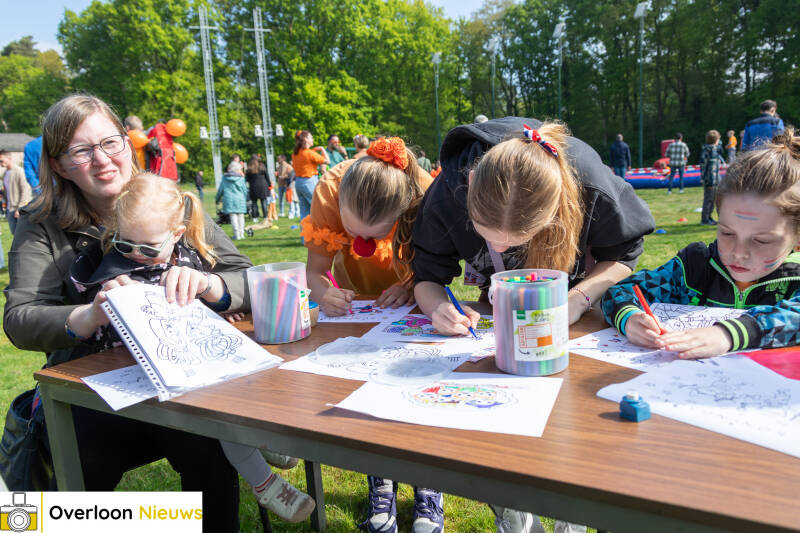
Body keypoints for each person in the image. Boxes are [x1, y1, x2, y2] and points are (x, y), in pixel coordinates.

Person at [3, 93, 252, 532]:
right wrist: (89, 315)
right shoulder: (42, 221)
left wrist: (208, 284)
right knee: (76, 483)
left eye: (110, 142)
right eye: (81, 150)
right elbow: (20, 319)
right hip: (93, 392)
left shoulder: (167, 199)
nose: (102, 160)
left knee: (211, 452)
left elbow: (246, 277)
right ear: (59, 165)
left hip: (182, 380)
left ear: (127, 142)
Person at [411, 117, 654, 532]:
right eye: (488, 234)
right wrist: (437, 309)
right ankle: (510, 500)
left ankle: (572, 507)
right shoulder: (447, 191)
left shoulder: (588, 181)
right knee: (501, 406)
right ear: (470, 185)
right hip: (502, 320)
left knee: (572, 408)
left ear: (556, 209)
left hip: (574, 305)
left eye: (516, 240)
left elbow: (624, 254)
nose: (499, 246)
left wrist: (577, 300)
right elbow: (427, 277)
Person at [69, 173, 315, 523]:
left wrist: (214, 302)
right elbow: (83, 328)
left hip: (194, 364)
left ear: (177, 234)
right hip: (146, 380)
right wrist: (95, 314)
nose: (137, 255)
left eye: (149, 248)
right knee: (219, 417)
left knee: (241, 389)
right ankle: (264, 482)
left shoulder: (188, 259)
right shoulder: (108, 269)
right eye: (125, 245)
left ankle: (260, 443)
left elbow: (214, 296)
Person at [300, 137, 442, 533]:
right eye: (351, 230)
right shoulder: (329, 189)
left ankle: (428, 480)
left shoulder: (425, 193)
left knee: (417, 383)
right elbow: (315, 271)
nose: (361, 243)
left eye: (375, 234)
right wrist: (324, 292)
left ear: (404, 210)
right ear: (339, 204)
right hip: (357, 301)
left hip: (416, 296)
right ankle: (381, 476)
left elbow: (438, 262)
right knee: (364, 384)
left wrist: (413, 284)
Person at [601, 128, 800, 358]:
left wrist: (728, 334)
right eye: (727, 233)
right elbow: (621, 291)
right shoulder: (693, 268)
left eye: (761, 241)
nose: (738, 252)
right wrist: (630, 318)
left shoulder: (794, 279)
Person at [292, 130, 329, 223]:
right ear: (306, 139)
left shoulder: (295, 153)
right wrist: (322, 150)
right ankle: (321, 232)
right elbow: (327, 161)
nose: (312, 139)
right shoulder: (309, 153)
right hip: (309, 182)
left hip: (298, 183)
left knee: (305, 215)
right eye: (311, 137)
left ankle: (305, 233)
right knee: (319, 209)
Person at [0, 150, 33, 234]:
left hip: (19, 209)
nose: (0, 163)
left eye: (1, 160)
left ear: (9, 158)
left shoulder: (19, 171)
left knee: (23, 235)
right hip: (10, 209)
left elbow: (25, 191)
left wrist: (20, 208)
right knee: (14, 234)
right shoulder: (5, 173)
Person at [699, 130, 727, 226]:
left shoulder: (715, 149)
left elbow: (721, 151)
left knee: (714, 198)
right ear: (715, 140)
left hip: (716, 177)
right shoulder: (707, 150)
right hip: (710, 178)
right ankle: (705, 219)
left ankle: (709, 216)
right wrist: (704, 179)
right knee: (709, 199)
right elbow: (703, 166)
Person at [216, 162, 249, 240]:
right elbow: (244, 190)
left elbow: (220, 190)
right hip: (240, 199)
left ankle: (236, 234)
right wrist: (245, 198)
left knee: (233, 216)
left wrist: (217, 199)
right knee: (241, 216)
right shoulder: (241, 178)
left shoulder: (225, 178)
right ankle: (241, 234)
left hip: (229, 199)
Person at [245, 154, 270, 223]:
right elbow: (267, 176)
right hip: (263, 186)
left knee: (254, 203)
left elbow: (246, 179)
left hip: (253, 186)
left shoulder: (249, 168)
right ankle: (265, 217)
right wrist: (269, 185)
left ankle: (255, 217)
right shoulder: (262, 166)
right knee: (263, 202)